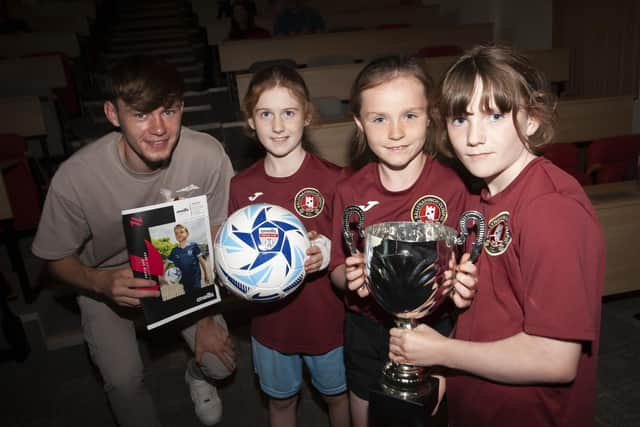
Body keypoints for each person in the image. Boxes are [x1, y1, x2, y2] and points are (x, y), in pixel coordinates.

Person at [388, 44, 605, 427]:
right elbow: (496, 312)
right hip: (483, 400)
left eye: (495, 115)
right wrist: (451, 380)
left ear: (533, 118)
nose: (474, 137)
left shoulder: (550, 210)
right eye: (460, 119)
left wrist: (442, 351)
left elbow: (554, 359)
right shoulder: (482, 194)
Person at [31, 54, 236, 427]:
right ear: (113, 114)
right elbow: (54, 259)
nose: (158, 128)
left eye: (168, 111)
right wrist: (100, 282)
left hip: (182, 268)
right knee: (124, 382)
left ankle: (196, 378)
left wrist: (205, 315)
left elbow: (220, 236)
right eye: (141, 115)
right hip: (107, 277)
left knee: (219, 364)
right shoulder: (76, 176)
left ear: (182, 109)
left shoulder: (206, 155)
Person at [328, 55, 479, 427]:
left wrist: (466, 282)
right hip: (367, 329)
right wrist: (349, 277)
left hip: (435, 327)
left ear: (430, 116)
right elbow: (334, 268)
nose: (396, 132)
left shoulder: (455, 187)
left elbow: (469, 266)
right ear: (359, 124)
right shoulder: (349, 191)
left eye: (409, 115)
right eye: (380, 119)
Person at [229, 64, 350, 427]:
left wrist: (328, 251)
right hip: (271, 326)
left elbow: (352, 253)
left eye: (289, 113)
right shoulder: (240, 186)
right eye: (266, 114)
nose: (278, 126)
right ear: (251, 120)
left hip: (327, 321)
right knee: (281, 404)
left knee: (338, 399)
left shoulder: (335, 180)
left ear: (307, 116)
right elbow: (234, 258)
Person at [165, 224, 211, 291]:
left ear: (187, 233)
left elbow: (202, 261)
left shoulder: (194, 246)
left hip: (195, 280)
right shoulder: (174, 251)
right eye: (176, 233)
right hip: (184, 281)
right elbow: (166, 264)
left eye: (181, 232)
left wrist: (206, 274)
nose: (179, 234)